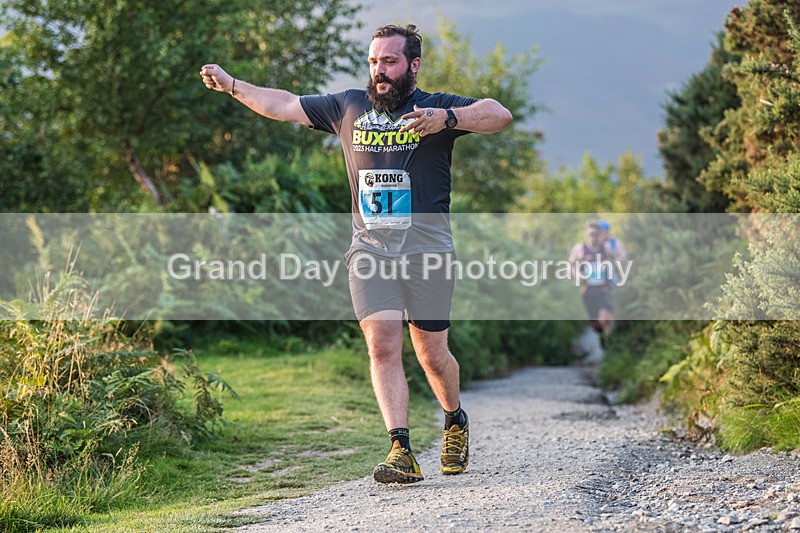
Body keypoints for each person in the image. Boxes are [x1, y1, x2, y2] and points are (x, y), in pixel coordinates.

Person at [200, 24, 512, 484]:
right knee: (382, 345)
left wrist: (446, 119)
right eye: (373, 61)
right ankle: (400, 449)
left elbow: (499, 114)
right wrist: (232, 85)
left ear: (413, 65)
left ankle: (454, 418)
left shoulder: (434, 108)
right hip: (370, 249)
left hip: (427, 250)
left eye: (389, 61)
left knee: (431, 355)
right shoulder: (348, 106)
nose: (379, 71)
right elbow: (283, 104)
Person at [569, 221, 615, 338]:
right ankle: (603, 339)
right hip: (587, 291)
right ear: (586, 233)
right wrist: (578, 275)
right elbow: (570, 267)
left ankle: (610, 342)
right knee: (596, 326)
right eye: (590, 234)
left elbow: (616, 262)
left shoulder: (606, 248)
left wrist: (610, 269)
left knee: (604, 316)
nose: (592, 237)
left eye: (595, 234)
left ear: (599, 234)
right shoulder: (579, 249)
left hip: (604, 289)